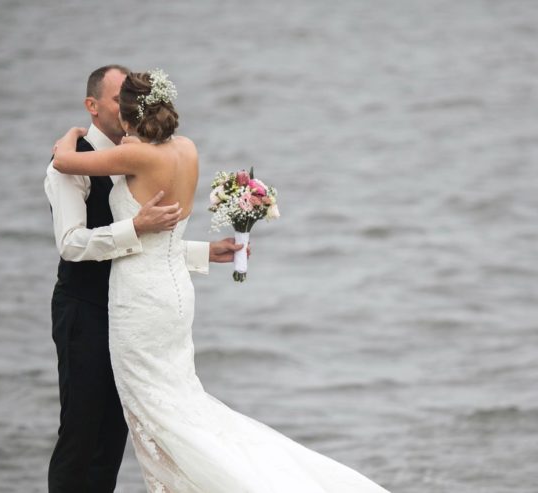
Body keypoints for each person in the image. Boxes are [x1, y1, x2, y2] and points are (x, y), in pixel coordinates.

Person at [53, 69, 391, 493]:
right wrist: (207, 251)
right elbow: (157, 239)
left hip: (138, 303)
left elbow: (64, 161)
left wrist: (67, 134)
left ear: (126, 117)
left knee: (154, 419)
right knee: (174, 407)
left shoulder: (134, 156)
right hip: (171, 294)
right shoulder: (186, 150)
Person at [44, 65, 245, 493]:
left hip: (133, 313)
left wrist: (203, 252)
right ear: (92, 107)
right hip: (86, 311)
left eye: (128, 99)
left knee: (114, 441)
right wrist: (135, 227)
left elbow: (152, 247)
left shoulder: (139, 152)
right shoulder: (73, 164)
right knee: (80, 435)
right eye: (117, 99)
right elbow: (71, 244)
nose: (125, 108)